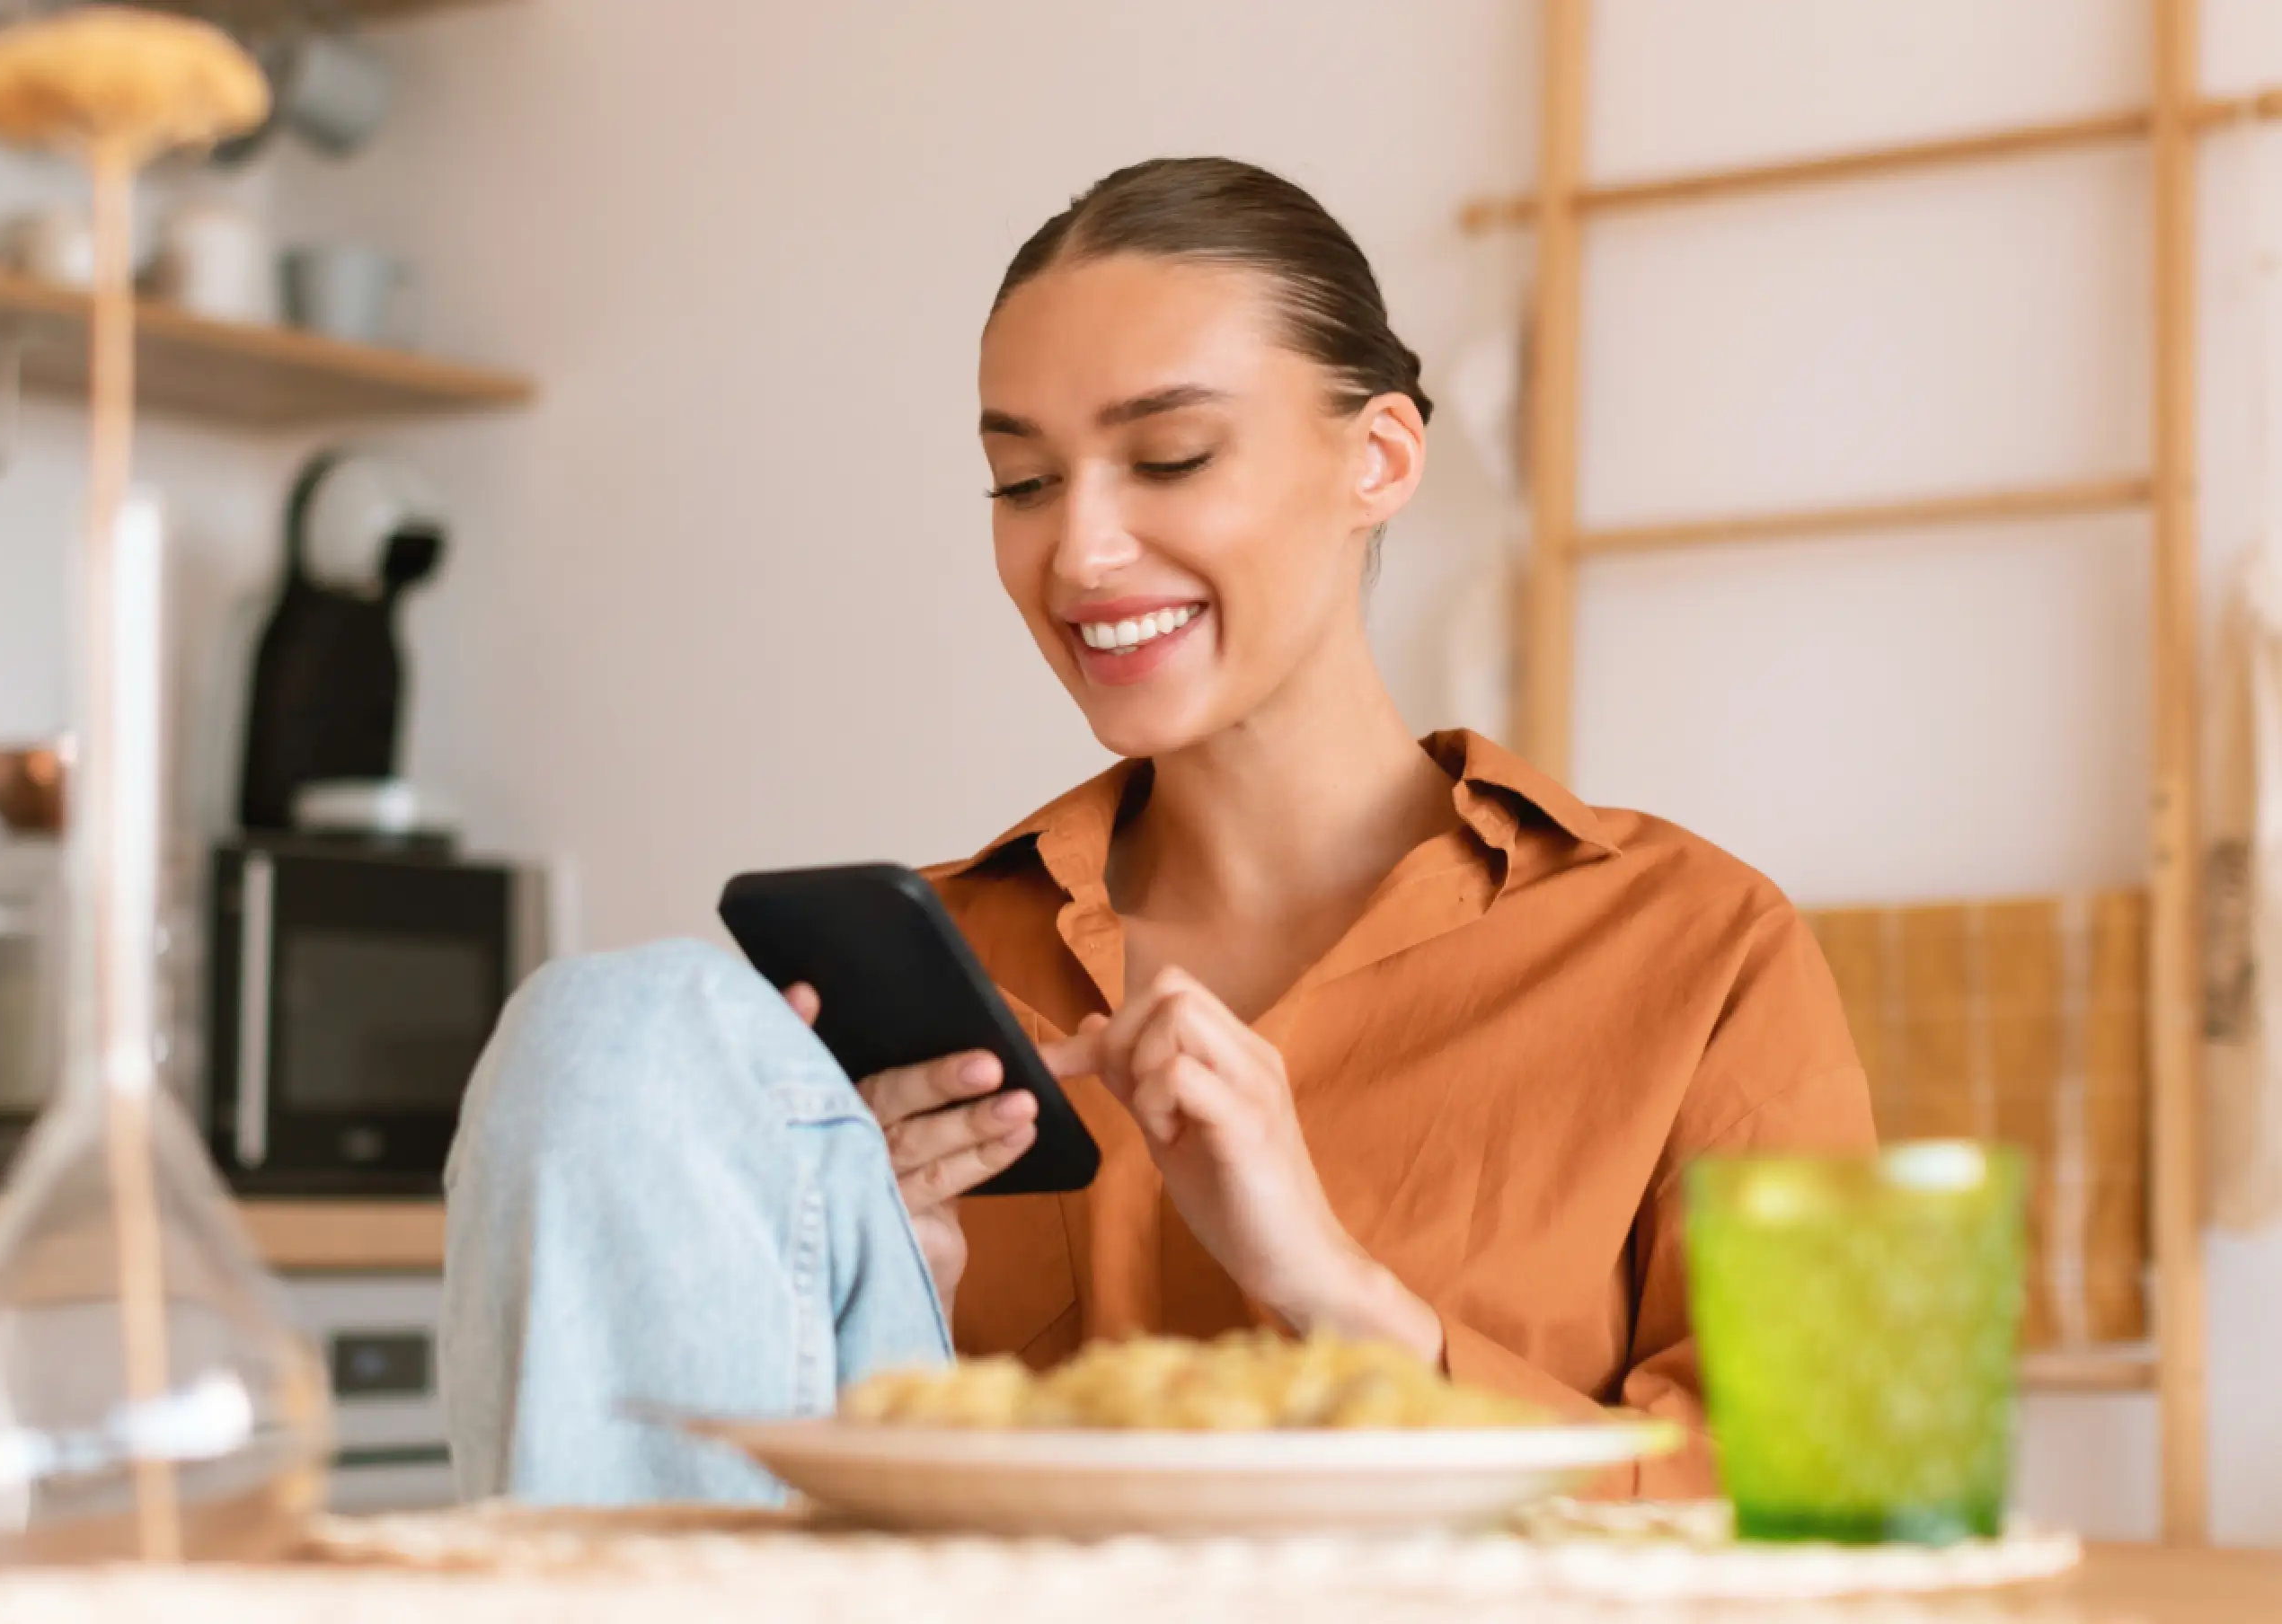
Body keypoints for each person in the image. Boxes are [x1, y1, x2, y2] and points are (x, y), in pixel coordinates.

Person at [440, 156, 1875, 1506]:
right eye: (1023, 481)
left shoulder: (1693, 946)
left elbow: (1819, 1507)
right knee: (622, 1027)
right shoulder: (916, 982)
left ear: (1379, 458)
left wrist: (1338, 1291)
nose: (1078, 550)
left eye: (1171, 457)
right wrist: (875, 1308)